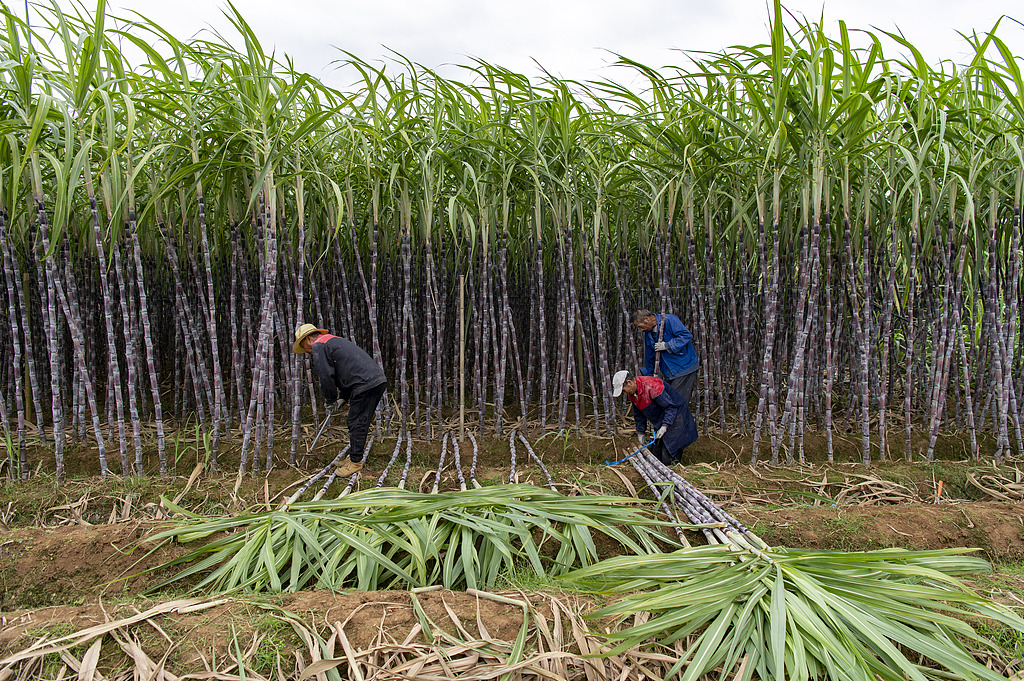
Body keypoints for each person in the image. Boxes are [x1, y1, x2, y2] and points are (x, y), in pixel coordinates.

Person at [293, 323, 387, 476]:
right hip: (371, 380)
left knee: (357, 422)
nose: (306, 351)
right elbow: (345, 371)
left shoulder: (318, 345)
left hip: (365, 384)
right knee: (356, 420)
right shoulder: (331, 340)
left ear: (309, 339)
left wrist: (330, 400)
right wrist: (343, 397)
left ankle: (355, 462)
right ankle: (352, 458)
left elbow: (326, 376)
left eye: (305, 347)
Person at [612, 369, 697, 465]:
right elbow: (639, 414)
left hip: (676, 416)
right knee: (656, 451)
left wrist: (665, 426)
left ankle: (674, 471)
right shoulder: (633, 394)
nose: (624, 393)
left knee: (669, 451)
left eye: (623, 390)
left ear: (629, 382)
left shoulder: (652, 387)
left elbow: (671, 408)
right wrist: (640, 433)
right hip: (662, 418)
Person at [632, 309, 698, 405]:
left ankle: (681, 419)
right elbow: (649, 355)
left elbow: (686, 336)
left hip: (684, 366)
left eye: (640, 326)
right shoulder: (648, 333)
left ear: (646, 319)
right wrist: (647, 377)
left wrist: (667, 345)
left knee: (676, 401)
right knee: (669, 400)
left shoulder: (669, 320)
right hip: (669, 371)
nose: (641, 330)